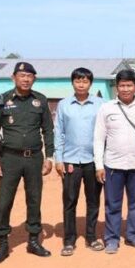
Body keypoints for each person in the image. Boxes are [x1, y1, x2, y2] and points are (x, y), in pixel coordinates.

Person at [0, 61, 55, 264]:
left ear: (34, 79)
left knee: (34, 199)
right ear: (13, 77)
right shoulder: (2, 100)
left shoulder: (40, 100)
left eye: (29, 76)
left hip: (34, 158)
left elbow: (48, 130)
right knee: (4, 201)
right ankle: (3, 243)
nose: (26, 79)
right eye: (22, 75)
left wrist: (49, 157)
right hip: (9, 159)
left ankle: (33, 240)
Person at [93, 69, 135, 254]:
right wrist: (99, 165)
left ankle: (133, 235)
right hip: (112, 165)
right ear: (116, 87)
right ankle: (112, 239)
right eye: (122, 85)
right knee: (112, 204)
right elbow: (98, 138)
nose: (125, 89)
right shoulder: (106, 108)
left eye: (129, 85)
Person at [54, 67, 104, 256]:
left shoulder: (100, 104)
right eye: (77, 81)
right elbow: (59, 132)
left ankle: (91, 237)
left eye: (85, 81)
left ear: (90, 83)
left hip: (93, 161)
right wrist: (58, 159)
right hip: (70, 161)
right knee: (69, 201)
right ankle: (69, 240)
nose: (81, 84)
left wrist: (103, 161)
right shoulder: (63, 105)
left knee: (93, 200)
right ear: (72, 83)